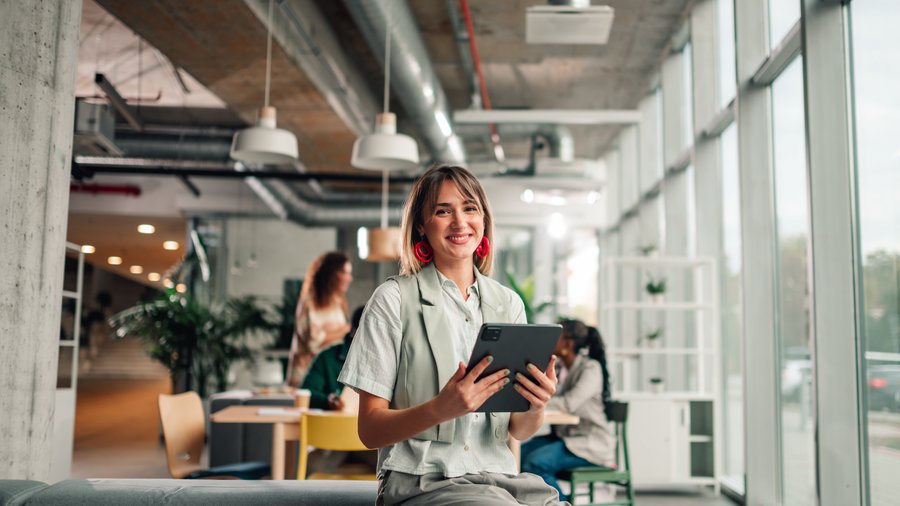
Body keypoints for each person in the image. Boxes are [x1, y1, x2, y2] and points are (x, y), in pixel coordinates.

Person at [338, 164, 566, 505]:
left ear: (484, 220)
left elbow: (519, 429)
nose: (460, 222)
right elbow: (369, 430)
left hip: (498, 479)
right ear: (421, 226)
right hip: (421, 481)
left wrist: (536, 404)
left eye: (470, 208)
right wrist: (441, 409)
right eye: (443, 211)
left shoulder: (508, 303)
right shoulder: (393, 300)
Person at [520, 319, 615, 502]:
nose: (550, 341)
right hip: (566, 438)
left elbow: (568, 404)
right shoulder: (563, 368)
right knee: (517, 455)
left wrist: (535, 400)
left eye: (556, 337)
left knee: (535, 462)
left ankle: (563, 502)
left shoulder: (591, 369)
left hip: (589, 444)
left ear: (568, 344)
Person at [287, 251, 353, 387]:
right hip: (305, 377)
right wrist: (344, 330)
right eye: (345, 273)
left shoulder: (338, 303)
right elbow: (314, 343)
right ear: (331, 274)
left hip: (326, 375)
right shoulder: (309, 304)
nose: (349, 278)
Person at [301, 306, 364, 411]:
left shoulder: (388, 361)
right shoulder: (327, 358)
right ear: (353, 331)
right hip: (335, 423)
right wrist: (328, 401)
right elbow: (306, 393)